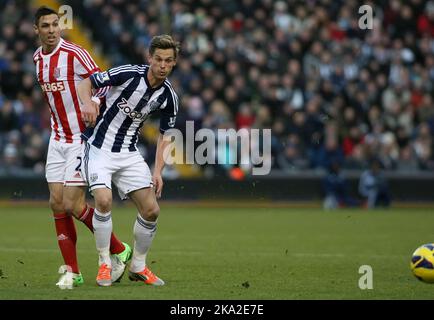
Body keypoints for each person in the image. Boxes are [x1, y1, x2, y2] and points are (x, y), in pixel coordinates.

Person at [32, 6, 132, 289]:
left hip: (81, 138)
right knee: (56, 202)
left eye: (55, 24)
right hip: (57, 138)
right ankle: (74, 272)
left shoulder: (75, 53)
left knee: (72, 204)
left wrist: (93, 103)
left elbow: (103, 84)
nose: (52, 30)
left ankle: (118, 248)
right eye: (46, 26)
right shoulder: (37, 58)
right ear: (36, 30)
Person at [77, 34, 179, 287]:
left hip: (128, 153)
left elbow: (166, 137)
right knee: (103, 199)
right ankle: (105, 263)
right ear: (149, 58)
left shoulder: (168, 96)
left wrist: (158, 171)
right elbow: (85, 84)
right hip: (99, 148)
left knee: (152, 210)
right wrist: (88, 102)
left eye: (168, 61)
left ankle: (139, 266)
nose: (163, 65)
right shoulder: (129, 73)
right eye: (159, 59)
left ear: (174, 63)